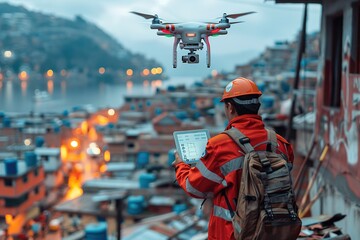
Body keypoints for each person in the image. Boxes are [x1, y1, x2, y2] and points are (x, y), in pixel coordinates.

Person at [172, 77, 294, 240]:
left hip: (232, 234)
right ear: (257, 106)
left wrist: (181, 165)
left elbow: (194, 187)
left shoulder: (219, 146)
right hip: (273, 233)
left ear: (229, 107)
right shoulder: (280, 143)